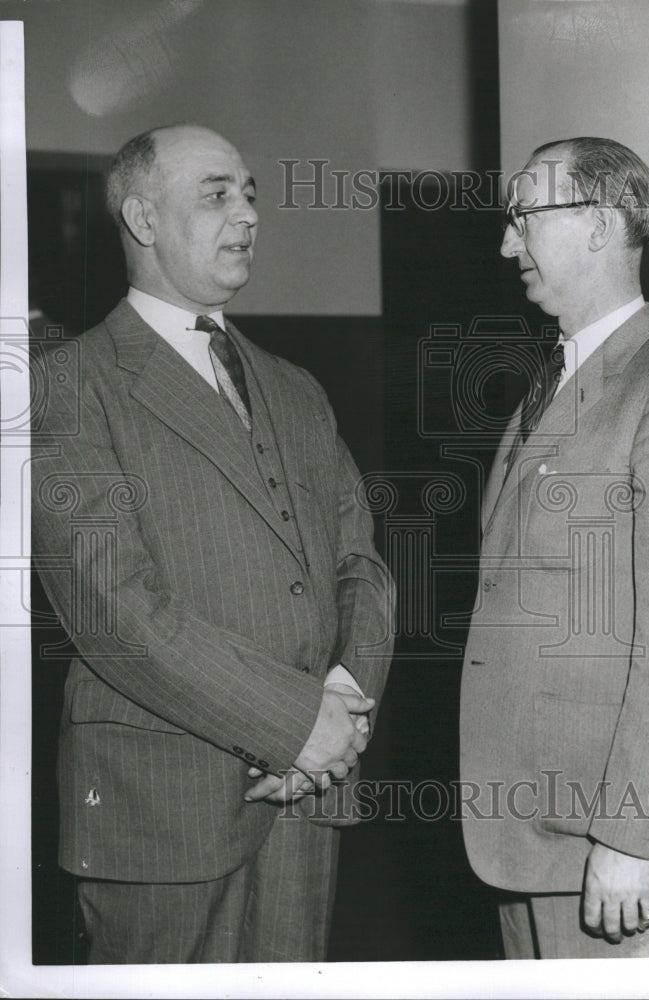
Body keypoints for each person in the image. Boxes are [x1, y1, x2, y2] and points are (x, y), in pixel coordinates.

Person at [31, 123, 394, 964]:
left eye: (251, 192)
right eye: (216, 193)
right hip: (162, 813)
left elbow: (361, 565)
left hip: (308, 798)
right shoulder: (65, 385)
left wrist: (341, 708)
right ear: (144, 219)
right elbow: (114, 613)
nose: (249, 214)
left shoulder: (295, 387)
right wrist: (296, 724)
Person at [460, 136, 649, 959]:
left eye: (523, 217)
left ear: (597, 224)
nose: (507, 242)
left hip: (618, 854)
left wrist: (628, 836)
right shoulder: (551, 386)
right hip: (532, 841)